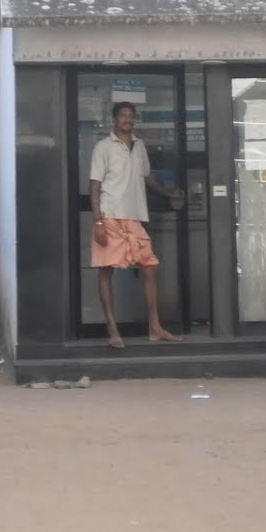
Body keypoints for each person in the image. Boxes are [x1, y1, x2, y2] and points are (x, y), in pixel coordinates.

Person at [89, 101, 183, 348]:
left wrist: (167, 193)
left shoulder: (139, 145)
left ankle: (155, 328)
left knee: (150, 267)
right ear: (114, 119)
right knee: (106, 270)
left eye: (131, 116)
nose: (127, 120)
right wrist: (98, 221)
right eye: (123, 116)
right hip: (109, 216)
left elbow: (147, 177)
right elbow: (94, 186)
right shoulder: (103, 147)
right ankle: (112, 330)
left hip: (134, 218)